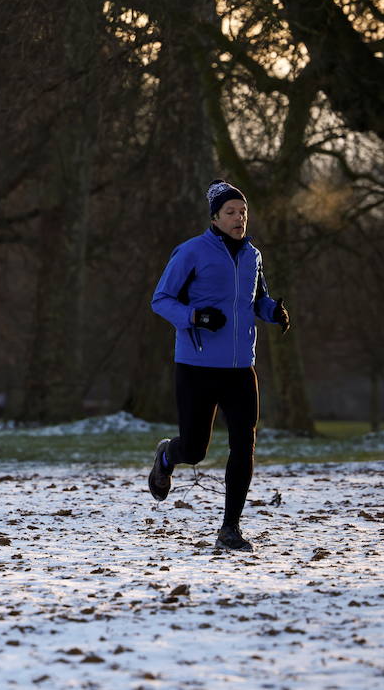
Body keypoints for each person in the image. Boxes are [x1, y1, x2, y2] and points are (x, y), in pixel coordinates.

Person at [147, 179, 291, 552]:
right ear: (215, 217)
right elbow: (161, 300)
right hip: (197, 366)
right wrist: (194, 317)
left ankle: (230, 528)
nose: (239, 218)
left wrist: (274, 311)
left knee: (244, 445)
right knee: (195, 450)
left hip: (241, 368)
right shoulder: (191, 252)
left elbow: (257, 300)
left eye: (243, 212)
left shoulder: (253, 257)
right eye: (231, 212)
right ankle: (167, 455)